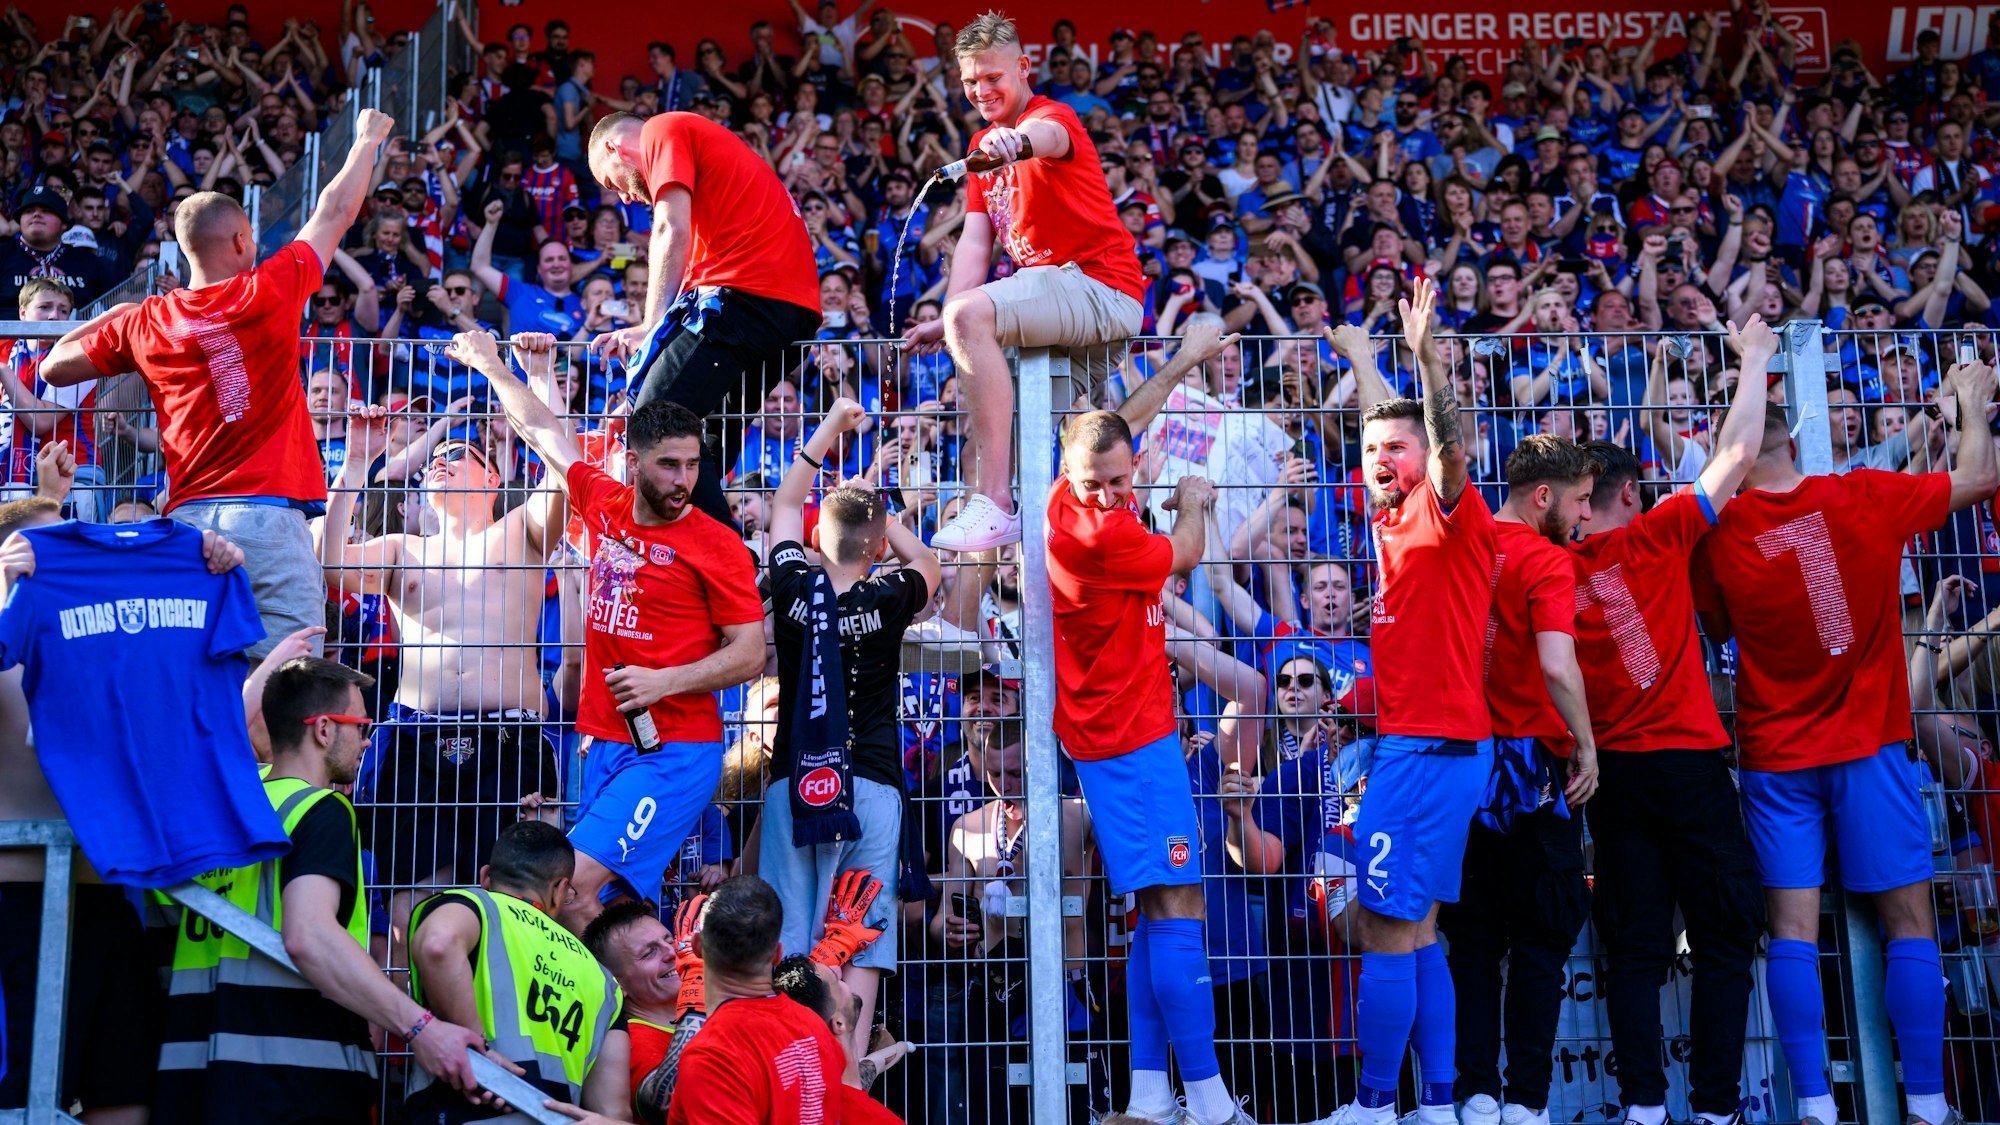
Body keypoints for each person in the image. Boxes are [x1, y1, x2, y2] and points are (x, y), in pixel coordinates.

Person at [1690, 357, 2000, 1125]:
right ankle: (1927, 1106)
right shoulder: (1862, 495)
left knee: (1792, 934)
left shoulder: (1716, 539)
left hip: (1775, 757)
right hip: (1869, 747)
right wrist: (1967, 403)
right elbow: (1978, 477)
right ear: (1794, 435)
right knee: (1909, 923)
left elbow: (1720, 632)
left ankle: (1818, 1109)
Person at [40, 108, 400, 659]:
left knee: (198, 678)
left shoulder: (146, 321)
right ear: (241, 240)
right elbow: (335, 210)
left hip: (187, 523)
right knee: (290, 685)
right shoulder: (270, 289)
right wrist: (367, 139)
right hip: (270, 517)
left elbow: (52, 368)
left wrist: (122, 314)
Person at [441, 329, 765, 924]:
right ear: (634, 461)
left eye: (693, 465)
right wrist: (491, 365)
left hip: (674, 750)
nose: (683, 481)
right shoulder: (606, 502)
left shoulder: (717, 544)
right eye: (668, 465)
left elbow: (748, 654)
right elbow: (541, 430)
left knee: (571, 892)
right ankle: (625, 1015)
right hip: (607, 741)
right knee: (607, 907)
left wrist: (664, 683)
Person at [1569, 319, 1780, 1125]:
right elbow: (1736, 453)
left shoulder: (1552, 569)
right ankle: (1720, 1111)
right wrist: (1754, 358)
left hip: (1612, 774)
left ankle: (1645, 1111)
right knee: (1725, 940)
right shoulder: (1660, 533)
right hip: (1690, 767)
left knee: (1633, 952)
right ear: (1634, 492)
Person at [1040, 316, 1249, 1125]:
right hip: (1129, 740)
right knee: (1179, 907)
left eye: (1122, 482)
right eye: (1098, 483)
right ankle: (1211, 1101)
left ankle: (1150, 1096)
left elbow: (1125, 419)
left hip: (1127, 734)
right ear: (1071, 474)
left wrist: (1184, 360)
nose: (1111, 494)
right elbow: (1190, 549)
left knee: (1153, 914)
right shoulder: (1100, 535)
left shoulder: (1071, 490)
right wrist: (1190, 499)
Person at [154, 655, 494, 1125]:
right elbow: (308, 934)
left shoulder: (221, 811)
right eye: (361, 725)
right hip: (292, 1079)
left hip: (190, 1075)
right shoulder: (320, 809)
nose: (368, 740)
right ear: (324, 730)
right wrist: (422, 1028)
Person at [319, 336, 568, 962]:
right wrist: (355, 466)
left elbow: (565, 470)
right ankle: (417, 1038)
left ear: (496, 476)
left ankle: (498, 1033)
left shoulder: (520, 532)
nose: (442, 461)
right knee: (410, 901)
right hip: (414, 737)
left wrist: (538, 375)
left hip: (506, 742)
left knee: (516, 900)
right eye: (436, 456)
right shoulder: (405, 547)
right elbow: (332, 563)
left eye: (461, 453)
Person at [1318, 276, 1495, 1125]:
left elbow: (1450, 447)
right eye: (1371, 453)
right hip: (1432, 749)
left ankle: (1372, 1106)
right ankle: (1432, 1104)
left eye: (1400, 450)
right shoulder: (1389, 517)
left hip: (1426, 753)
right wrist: (1360, 355)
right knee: (1418, 932)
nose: (1383, 462)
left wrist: (1428, 362)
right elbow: (1381, 432)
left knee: (1387, 929)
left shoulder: (1448, 506)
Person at [900, 12, 1146, 552]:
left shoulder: (1047, 118)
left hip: (1099, 289)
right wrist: (944, 319)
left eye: (993, 77)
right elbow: (974, 242)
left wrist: (1018, 142)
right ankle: (980, 598)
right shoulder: (981, 143)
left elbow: (1048, 137)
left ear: (1023, 68)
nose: (981, 90)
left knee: (969, 317)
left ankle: (993, 502)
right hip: (1059, 306)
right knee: (1006, 452)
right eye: (970, 81)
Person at [764, 396, 940, 1059]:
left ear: (815, 540)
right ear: (874, 545)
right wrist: (886, 521)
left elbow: (784, 506)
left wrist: (830, 431)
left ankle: (794, 1052)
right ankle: (848, 1060)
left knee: (792, 927)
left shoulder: (789, 588)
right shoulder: (887, 595)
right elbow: (930, 565)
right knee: (863, 925)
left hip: (796, 782)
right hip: (871, 783)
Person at [1439, 434, 1600, 1125]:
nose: (1588, 516)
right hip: (1535, 778)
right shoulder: (1546, 559)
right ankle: (1529, 1104)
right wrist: (1588, 745)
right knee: (1541, 944)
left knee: (1472, 942)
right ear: (1544, 497)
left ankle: (1476, 1096)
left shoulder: (1462, 541)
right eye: (1582, 500)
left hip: (1458, 768)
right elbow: (1560, 667)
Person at [582, 109, 822, 528]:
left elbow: (667, 229)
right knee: (705, 439)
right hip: (786, 310)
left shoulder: (663, 129)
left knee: (656, 418)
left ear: (613, 148)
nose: (622, 197)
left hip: (748, 299)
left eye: (611, 181)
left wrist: (648, 327)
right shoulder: (712, 190)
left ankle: (730, 564)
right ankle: (728, 572)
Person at [406, 820, 632, 1124]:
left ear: (486, 876)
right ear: (560, 889)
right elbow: (613, 1113)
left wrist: (478, 1050)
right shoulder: (603, 979)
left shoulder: (475, 906)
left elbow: (438, 944)